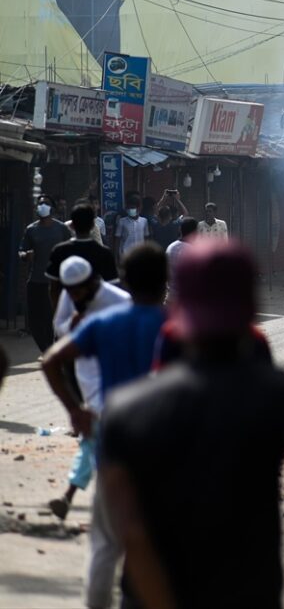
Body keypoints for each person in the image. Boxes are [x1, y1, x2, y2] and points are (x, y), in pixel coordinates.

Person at [99, 241, 284, 609]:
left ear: (180, 304)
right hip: (250, 591)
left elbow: (131, 530)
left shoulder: (127, 407)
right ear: (252, 302)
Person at [40, 244, 169, 609]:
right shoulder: (176, 325)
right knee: (161, 545)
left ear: (124, 281)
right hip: (162, 451)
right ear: (165, 281)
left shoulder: (102, 323)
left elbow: (50, 361)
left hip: (113, 447)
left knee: (105, 547)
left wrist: (74, 410)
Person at [47, 256, 131, 522]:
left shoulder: (119, 301)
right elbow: (59, 325)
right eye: (70, 292)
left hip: (119, 375)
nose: (75, 296)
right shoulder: (70, 298)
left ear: (92, 282)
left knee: (95, 432)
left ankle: (71, 494)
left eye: (79, 291)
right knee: (95, 430)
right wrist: (69, 325)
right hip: (88, 374)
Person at [21, 195, 72, 351]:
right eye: (40, 204)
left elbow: (70, 249)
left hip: (56, 281)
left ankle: (52, 349)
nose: (42, 206)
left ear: (52, 208)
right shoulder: (31, 229)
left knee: (52, 317)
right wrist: (25, 255)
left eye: (46, 204)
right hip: (36, 280)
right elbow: (21, 251)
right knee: (35, 320)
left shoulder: (61, 229)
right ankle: (45, 348)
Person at [47, 204, 118, 288]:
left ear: (71, 225)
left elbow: (54, 286)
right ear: (93, 225)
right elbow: (112, 285)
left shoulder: (59, 251)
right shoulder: (105, 253)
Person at [166, 217, 199, 299]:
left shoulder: (171, 247)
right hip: (186, 299)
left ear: (180, 230)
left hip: (171, 296)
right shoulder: (193, 251)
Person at [114, 195, 150, 263]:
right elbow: (117, 240)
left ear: (139, 208)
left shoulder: (144, 221)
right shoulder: (122, 221)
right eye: (129, 208)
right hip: (125, 255)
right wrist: (116, 256)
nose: (131, 210)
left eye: (133, 208)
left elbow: (146, 238)